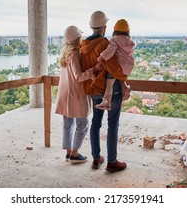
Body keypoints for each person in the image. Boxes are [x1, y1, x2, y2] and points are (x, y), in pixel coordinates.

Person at [80, 10, 128, 172]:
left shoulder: (83, 45)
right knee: (112, 124)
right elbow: (114, 68)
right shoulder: (106, 44)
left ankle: (96, 158)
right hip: (111, 91)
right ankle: (111, 161)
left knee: (95, 123)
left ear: (91, 26)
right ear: (105, 28)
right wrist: (124, 77)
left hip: (94, 89)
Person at [55, 25, 100, 164]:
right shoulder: (74, 54)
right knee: (82, 124)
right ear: (77, 38)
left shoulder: (65, 54)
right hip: (75, 94)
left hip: (64, 94)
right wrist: (94, 70)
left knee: (67, 124)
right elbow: (79, 76)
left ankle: (69, 153)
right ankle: (75, 153)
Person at [95, 19, 135, 110]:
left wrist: (101, 58)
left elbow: (109, 51)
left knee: (109, 82)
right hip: (128, 68)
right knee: (118, 75)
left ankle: (107, 102)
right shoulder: (130, 42)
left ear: (115, 30)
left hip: (118, 67)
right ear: (127, 31)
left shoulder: (115, 39)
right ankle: (124, 87)